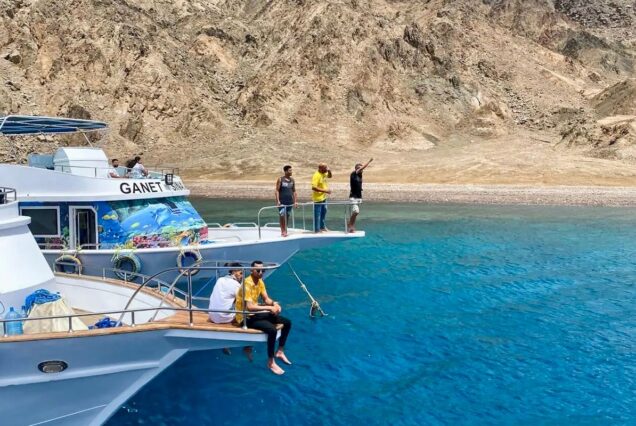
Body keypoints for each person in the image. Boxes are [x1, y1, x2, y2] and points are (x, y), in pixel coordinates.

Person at [235, 260, 292, 375]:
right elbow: (250, 307)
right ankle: (270, 361)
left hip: (255, 315)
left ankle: (280, 351)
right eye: (258, 270)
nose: (261, 272)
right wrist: (269, 308)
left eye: (263, 270)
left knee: (287, 323)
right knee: (272, 330)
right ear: (251, 270)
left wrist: (274, 304)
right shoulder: (247, 283)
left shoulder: (260, 281)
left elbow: (266, 299)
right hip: (245, 317)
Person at [347, 158, 373, 233]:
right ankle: (349, 225)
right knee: (356, 211)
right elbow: (362, 168)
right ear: (356, 169)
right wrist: (369, 161)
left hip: (358, 197)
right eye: (358, 168)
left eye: (361, 168)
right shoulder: (354, 173)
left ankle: (351, 227)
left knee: (355, 213)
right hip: (353, 196)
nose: (361, 169)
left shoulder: (360, 175)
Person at [275, 165, 297, 237]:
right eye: (290, 170)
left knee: (287, 216)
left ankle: (285, 230)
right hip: (282, 202)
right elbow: (277, 191)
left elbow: (294, 191)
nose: (291, 172)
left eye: (291, 170)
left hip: (289, 202)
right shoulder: (280, 179)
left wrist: (295, 202)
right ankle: (282, 231)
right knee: (282, 216)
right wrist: (278, 201)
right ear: (285, 171)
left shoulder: (292, 180)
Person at [311, 163, 332, 233]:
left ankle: (322, 227)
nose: (326, 169)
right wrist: (325, 191)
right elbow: (313, 187)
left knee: (324, 212)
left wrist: (329, 171)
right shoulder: (316, 175)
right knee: (317, 214)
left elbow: (330, 176)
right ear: (320, 168)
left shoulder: (324, 173)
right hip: (318, 199)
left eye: (326, 167)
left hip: (323, 198)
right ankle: (317, 229)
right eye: (325, 168)